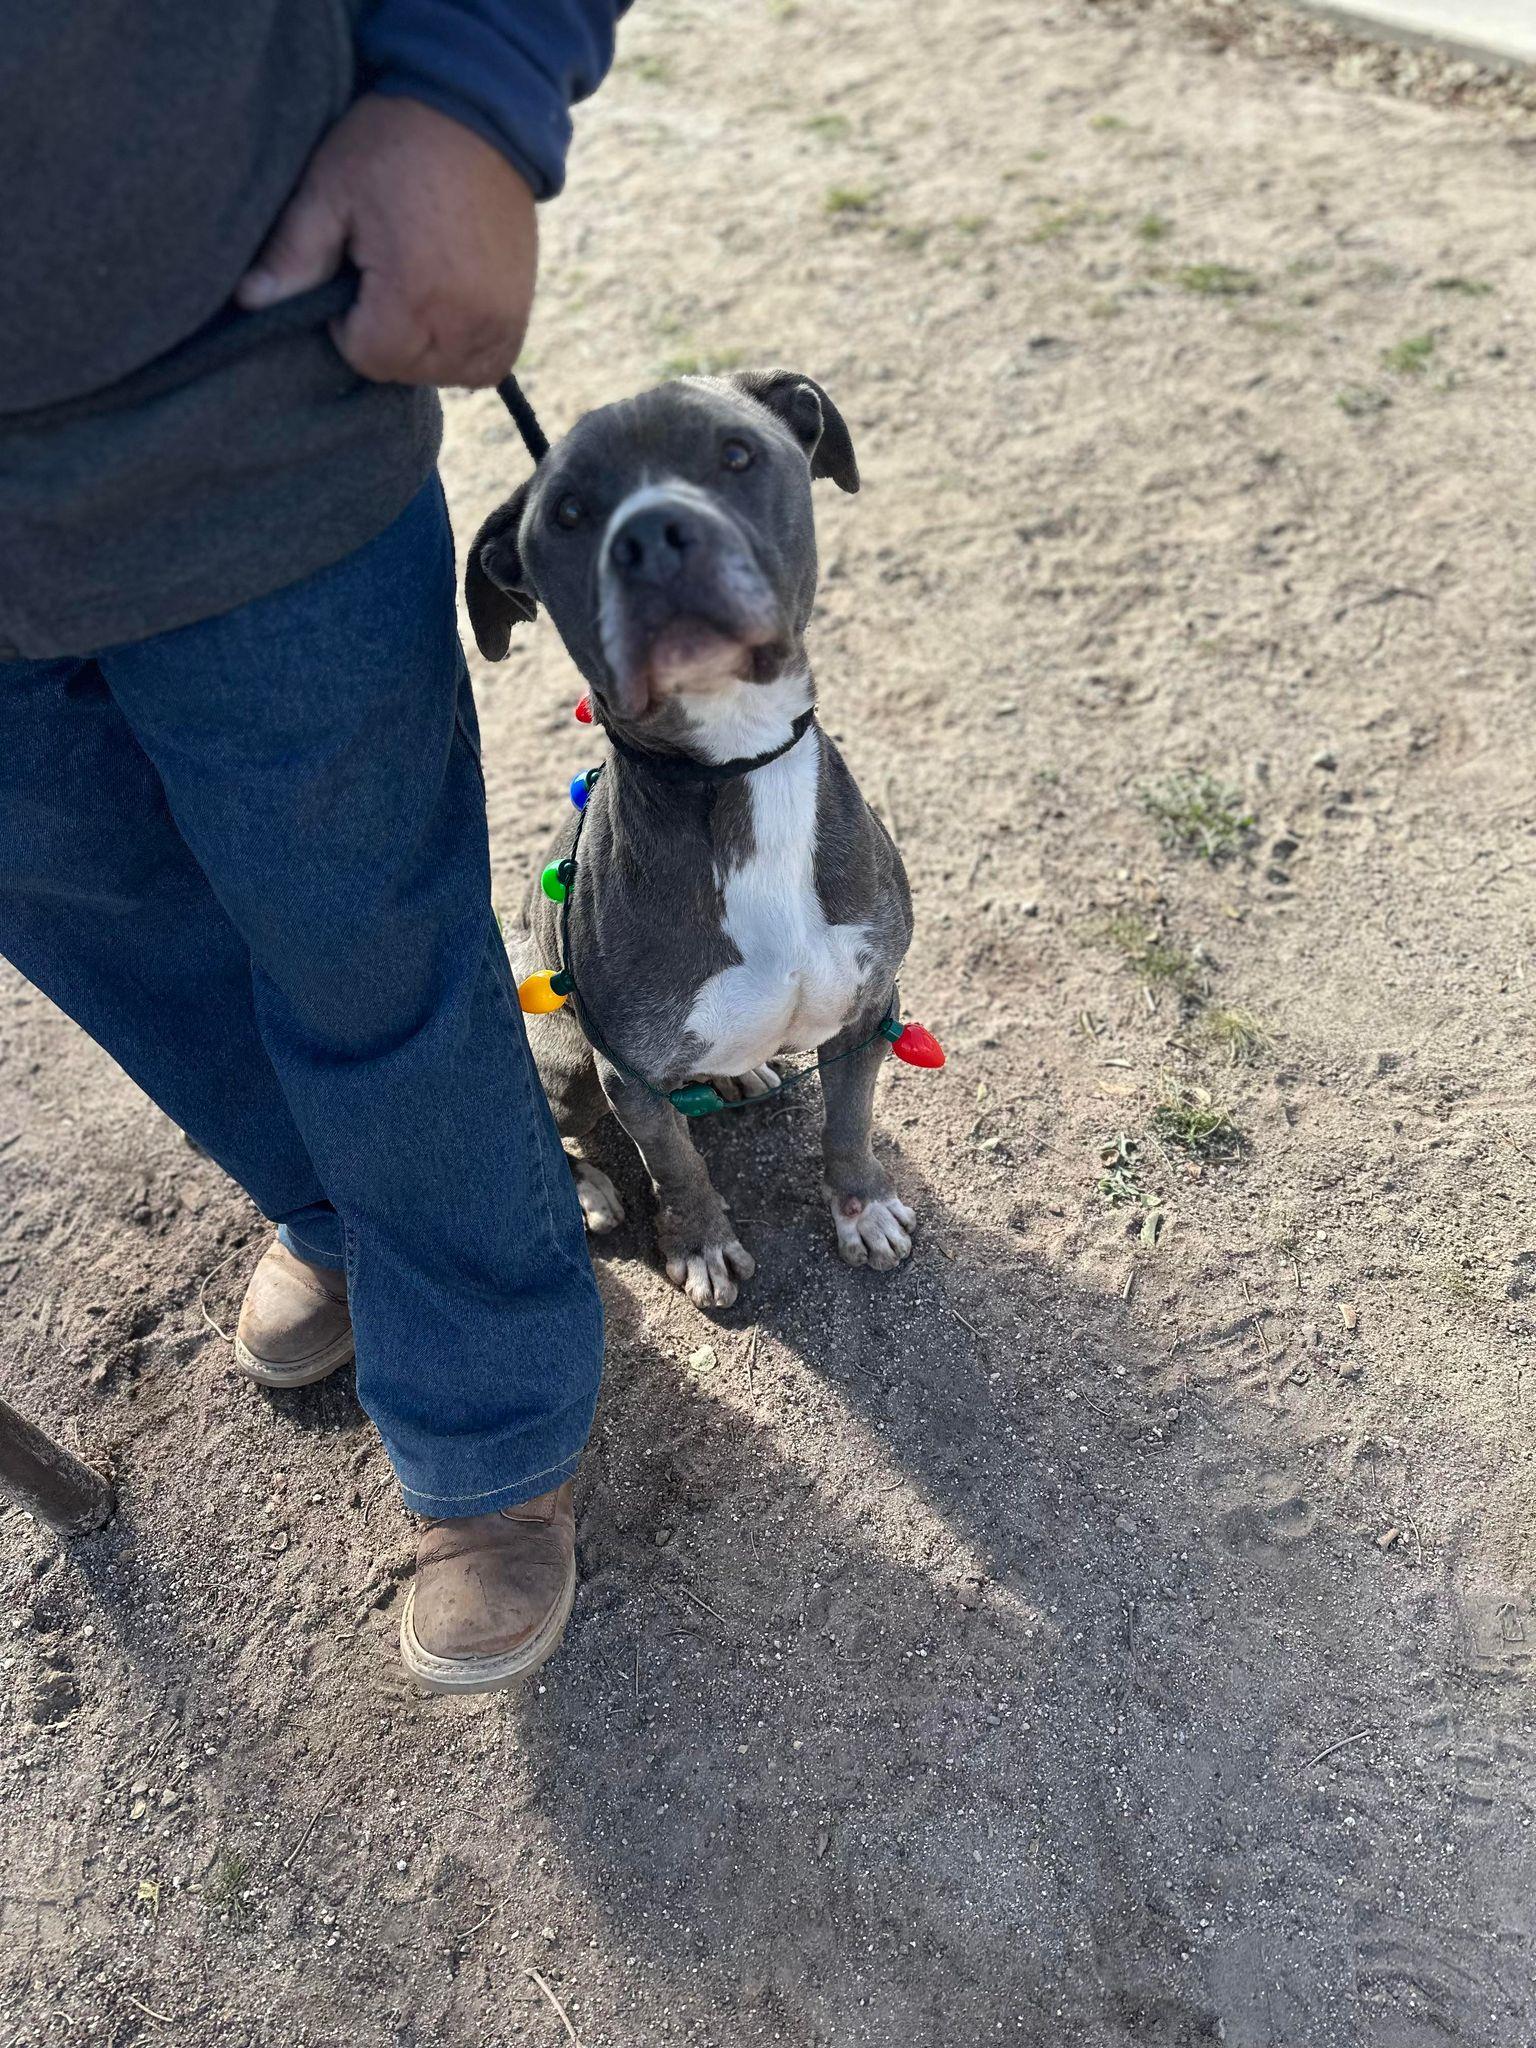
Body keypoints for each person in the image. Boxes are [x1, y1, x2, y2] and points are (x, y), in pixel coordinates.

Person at [0, 3, 629, 1695]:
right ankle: (346, 1207)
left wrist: (473, 92)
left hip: (238, 388)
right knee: (93, 917)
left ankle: (495, 1411)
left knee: (362, 935)